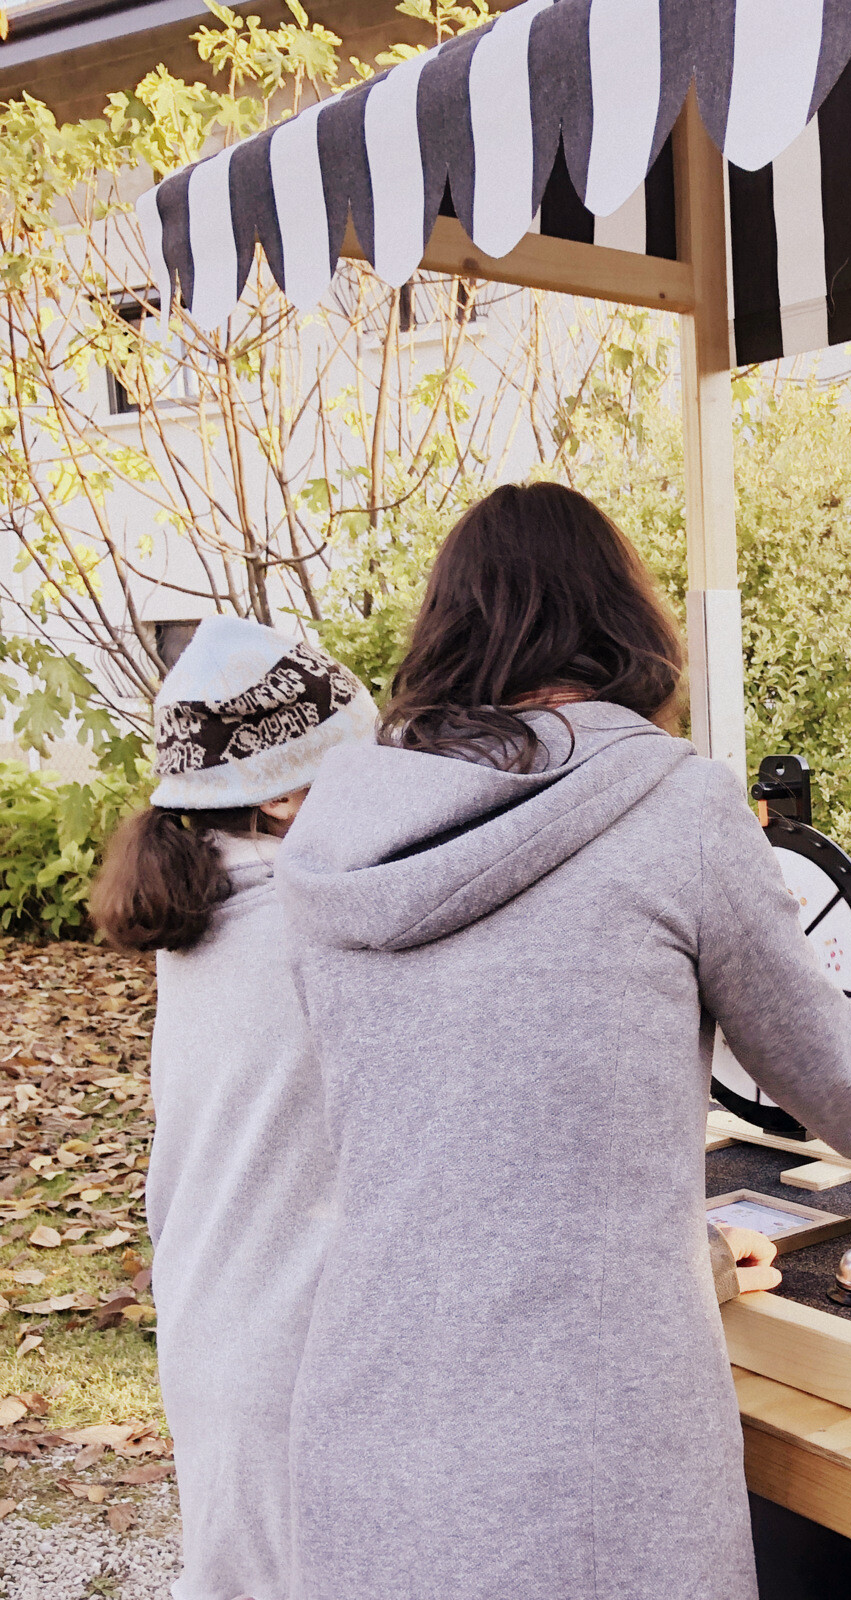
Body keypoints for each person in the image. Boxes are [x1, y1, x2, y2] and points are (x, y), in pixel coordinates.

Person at [274, 482, 851, 1600]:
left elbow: (452, 1146)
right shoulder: (680, 811)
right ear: (621, 621)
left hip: (371, 1447)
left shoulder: (336, 838)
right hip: (588, 1470)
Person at [89, 616, 379, 1600]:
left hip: (215, 1325)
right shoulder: (312, 930)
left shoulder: (207, 926)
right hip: (291, 1359)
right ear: (290, 796)